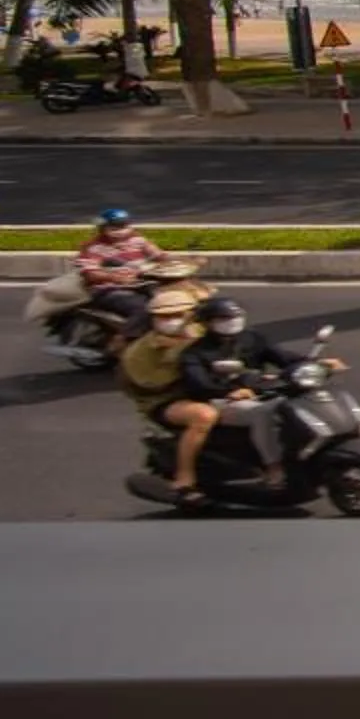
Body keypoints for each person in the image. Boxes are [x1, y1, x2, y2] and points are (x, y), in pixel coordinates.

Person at [178, 297, 298, 487]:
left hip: (260, 392)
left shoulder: (253, 338)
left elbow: (283, 357)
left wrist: (315, 364)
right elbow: (200, 385)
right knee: (263, 413)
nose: (232, 321)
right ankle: (273, 467)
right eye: (224, 318)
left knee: (298, 401)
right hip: (221, 400)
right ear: (208, 322)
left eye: (236, 316)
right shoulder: (195, 353)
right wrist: (230, 391)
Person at [120, 286, 222, 500]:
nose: (171, 320)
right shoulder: (139, 351)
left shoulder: (204, 334)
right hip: (165, 401)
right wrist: (183, 360)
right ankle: (185, 477)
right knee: (203, 416)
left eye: (178, 315)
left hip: (211, 389)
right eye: (164, 316)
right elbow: (149, 383)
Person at [77, 208, 162, 337]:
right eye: (114, 228)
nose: (121, 232)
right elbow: (91, 274)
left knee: (171, 300)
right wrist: (116, 278)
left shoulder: (137, 240)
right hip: (110, 290)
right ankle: (124, 340)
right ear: (103, 229)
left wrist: (185, 261)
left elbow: (159, 255)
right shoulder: (93, 247)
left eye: (124, 227)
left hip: (141, 284)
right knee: (144, 309)